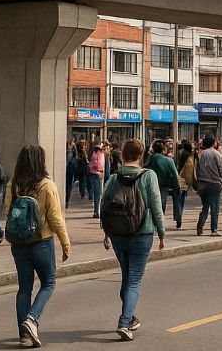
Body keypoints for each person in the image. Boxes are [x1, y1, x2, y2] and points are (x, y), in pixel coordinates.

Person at [4, 145, 71, 349]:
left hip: (19, 243)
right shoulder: (46, 185)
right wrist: (65, 243)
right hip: (41, 241)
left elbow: (8, 211)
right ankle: (32, 319)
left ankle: (24, 336)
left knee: (24, 288)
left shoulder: (13, 184)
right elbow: (56, 218)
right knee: (49, 282)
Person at [100, 139, 166, 341]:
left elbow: (105, 206)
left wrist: (106, 233)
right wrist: (162, 234)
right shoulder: (148, 176)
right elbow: (156, 206)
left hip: (118, 234)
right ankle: (124, 321)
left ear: (123, 155)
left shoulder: (113, 178)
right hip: (142, 233)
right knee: (135, 279)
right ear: (141, 155)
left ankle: (130, 317)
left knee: (127, 276)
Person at [194, 135, 222, 236]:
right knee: (215, 208)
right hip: (215, 184)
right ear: (214, 143)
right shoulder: (217, 155)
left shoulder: (201, 154)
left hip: (202, 184)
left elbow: (197, 169)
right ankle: (214, 229)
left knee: (205, 206)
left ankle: (200, 226)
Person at [145, 139, 181, 229]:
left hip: (150, 186)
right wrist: (177, 187)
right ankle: (159, 226)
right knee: (161, 207)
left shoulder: (149, 159)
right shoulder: (169, 161)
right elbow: (175, 175)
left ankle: (152, 225)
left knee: (150, 206)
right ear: (163, 149)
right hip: (163, 187)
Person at [87, 143, 106, 219]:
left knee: (95, 193)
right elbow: (100, 165)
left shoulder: (92, 153)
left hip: (92, 174)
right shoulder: (100, 154)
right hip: (98, 174)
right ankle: (97, 212)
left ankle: (96, 210)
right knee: (99, 194)